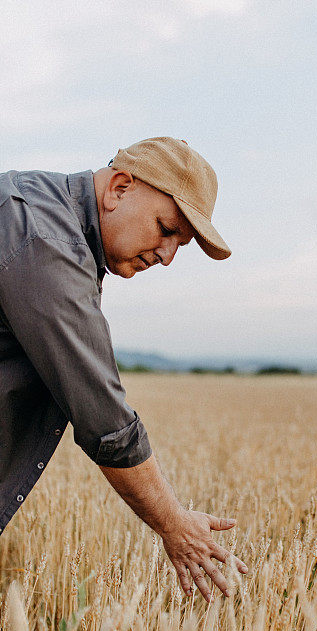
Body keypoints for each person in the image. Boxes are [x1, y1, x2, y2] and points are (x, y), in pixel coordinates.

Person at [0, 136, 248, 603]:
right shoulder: (43, 239)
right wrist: (174, 524)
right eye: (166, 228)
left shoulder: (40, 213)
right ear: (119, 187)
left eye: (182, 244)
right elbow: (105, 420)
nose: (168, 255)